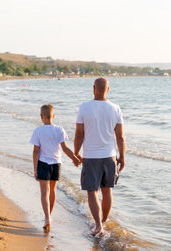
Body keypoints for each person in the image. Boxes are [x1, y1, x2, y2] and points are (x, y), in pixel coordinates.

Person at [74, 77, 126, 236]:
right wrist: (122, 157)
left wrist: (76, 152)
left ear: (93, 88)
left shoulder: (84, 107)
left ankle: (98, 225)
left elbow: (79, 134)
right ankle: (103, 221)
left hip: (91, 156)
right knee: (107, 191)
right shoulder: (115, 108)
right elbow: (120, 137)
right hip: (110, 156)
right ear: (108, 90)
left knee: (92, 192)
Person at [30, 104, 81, 232]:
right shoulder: (59, 129)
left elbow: (36, 151)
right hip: (56, 164)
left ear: (41, 117)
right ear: (53, 116)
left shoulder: (38, 131)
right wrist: (74, 158)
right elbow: (64, 148)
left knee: (44, 192)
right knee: (52, 191)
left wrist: (35, 169)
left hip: (43, 163)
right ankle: (49, 216)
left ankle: (47, 217)